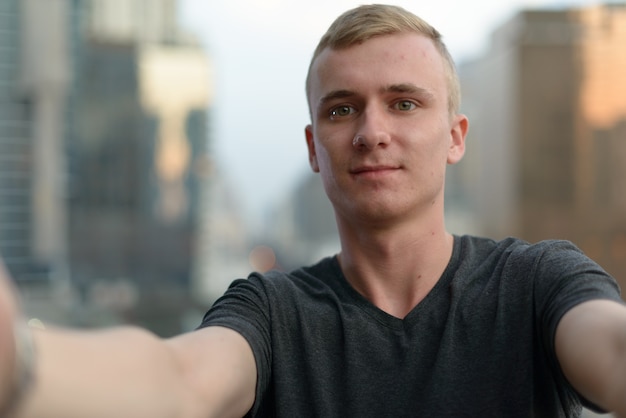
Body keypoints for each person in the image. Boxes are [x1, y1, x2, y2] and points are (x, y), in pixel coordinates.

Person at [1, 4, 625, 417]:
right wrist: (25, 366)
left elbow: (614, 351)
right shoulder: (271, 313)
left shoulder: (537, 282)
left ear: (456, 136)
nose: (372, 131)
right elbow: (180, 380)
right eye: (341, 108)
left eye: (404, 103)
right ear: (313, 148)